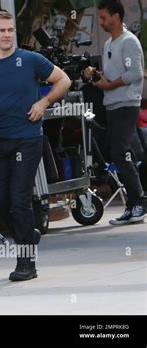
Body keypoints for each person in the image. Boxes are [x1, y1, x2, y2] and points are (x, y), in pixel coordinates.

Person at [0, 11, 71, 281]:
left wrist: (43, 102)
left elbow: (63, 80)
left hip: (28, 138)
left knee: (19, 199)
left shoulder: (31, 60)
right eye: (2, 30)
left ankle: (27, 263)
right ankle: (28, 234)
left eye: (10, 30)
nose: (7, 34)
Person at [84, 0, 145, 225]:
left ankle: (138, 201)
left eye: (103, 17)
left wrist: (108, 86)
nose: (100, 22)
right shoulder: (110, 43)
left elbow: (136, 73)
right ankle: (132, 205)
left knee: (120, 151)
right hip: (112, 105)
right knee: (117, 152)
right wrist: (96, 74)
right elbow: (113, 74)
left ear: (116, 17)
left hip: (126, 104)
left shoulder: (129, 41)